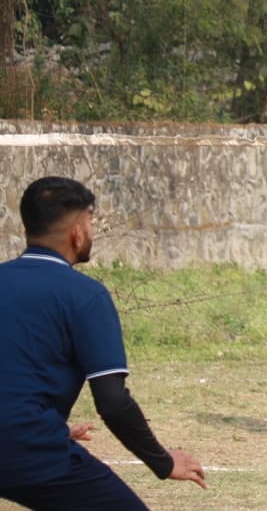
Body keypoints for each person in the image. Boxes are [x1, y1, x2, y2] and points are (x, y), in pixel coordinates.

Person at [0, 176, 207, 509]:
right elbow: (112, 402)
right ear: (77, 232)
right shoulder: (86, 296)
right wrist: (163, 461)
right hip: (29, 450)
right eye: (91, 223)